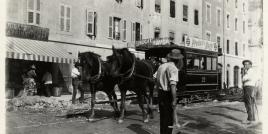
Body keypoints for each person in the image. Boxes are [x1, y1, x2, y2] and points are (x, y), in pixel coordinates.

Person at [155, 49, 183, 134]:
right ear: (178, 60)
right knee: (169, 120)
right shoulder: (173, 68)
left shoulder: (161, 66)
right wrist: (174, 100)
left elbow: (155, 79)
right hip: (168, 95)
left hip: (161, 94)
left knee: (163, 118)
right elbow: (173, 86)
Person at [241, 60, 261, 125]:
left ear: (250, 65)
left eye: (247, 64)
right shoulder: (249, 71)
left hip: (249, 88)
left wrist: (244, 78)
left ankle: (250, 120)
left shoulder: (250, 71)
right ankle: (251, 119)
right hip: (249, 88)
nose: (245, 66)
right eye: (244, 64)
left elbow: (245, 79)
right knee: (250, 104)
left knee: (248, 104)